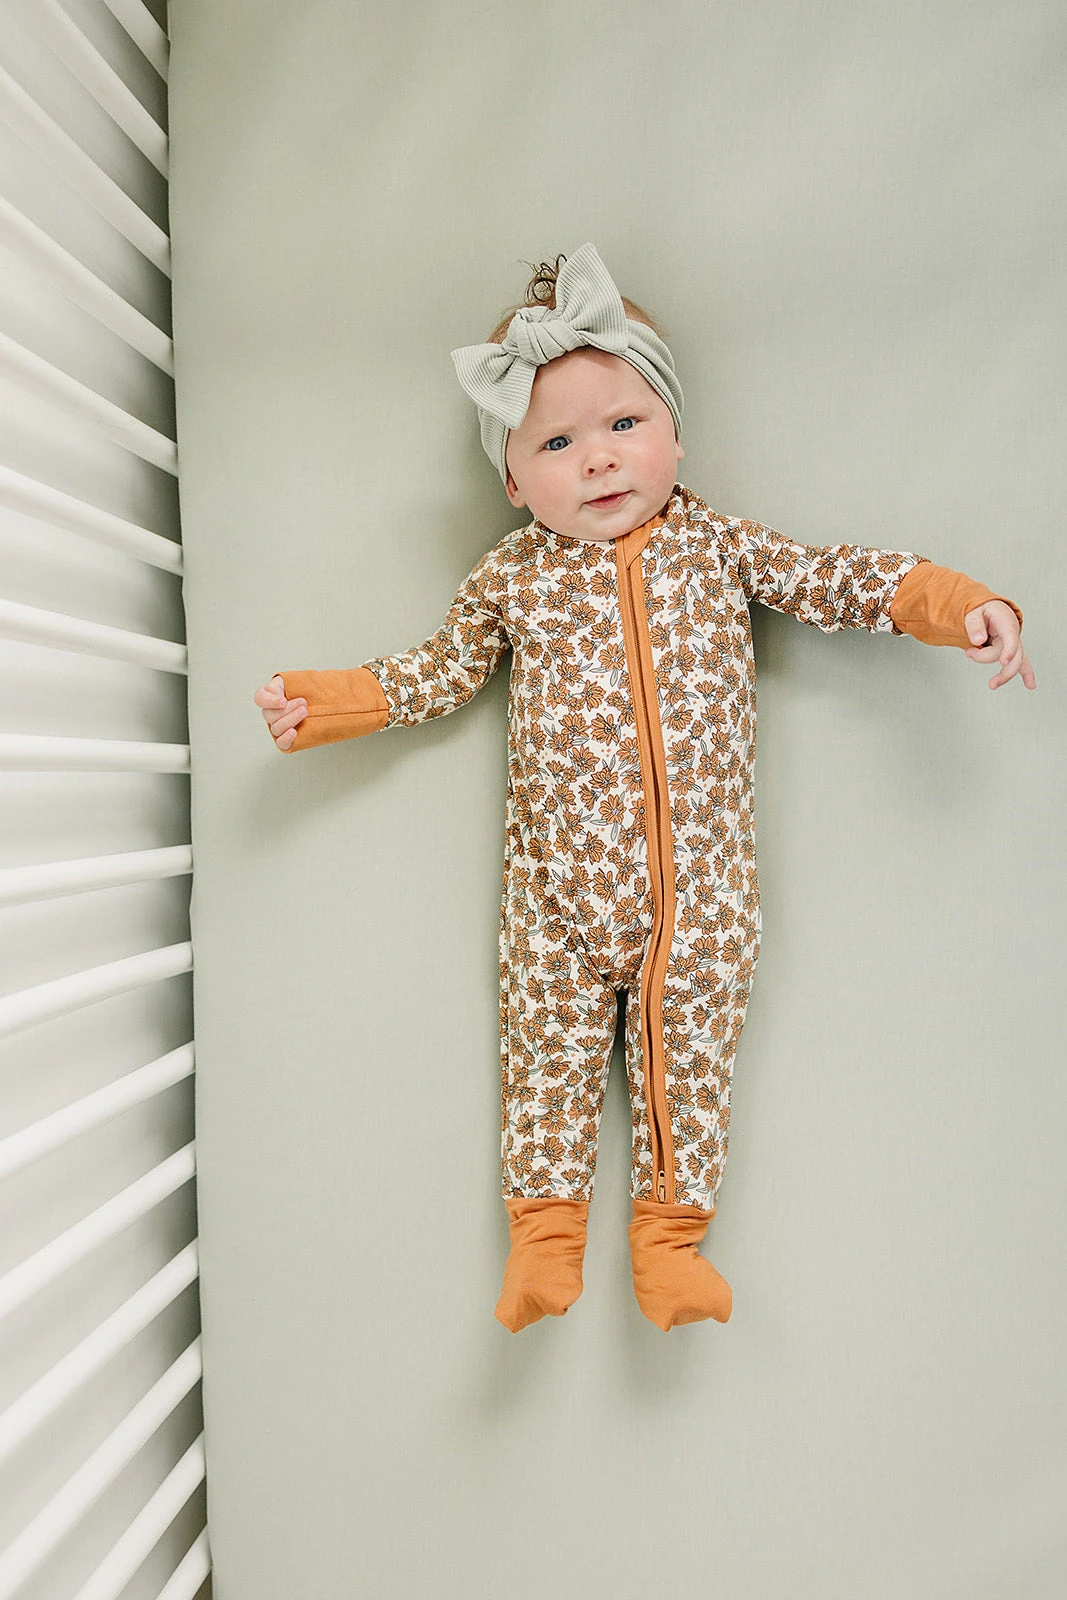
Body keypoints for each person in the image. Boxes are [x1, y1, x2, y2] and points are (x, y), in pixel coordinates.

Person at [253, 244, 1035, 1335]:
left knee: (690, 1065)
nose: (599, 459)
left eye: (625, 423)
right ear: (512, 482)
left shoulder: (716, 545)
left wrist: (957, 605)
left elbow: (834, 578)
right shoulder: (513, 576)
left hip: (699, 894)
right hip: (556, 898)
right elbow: (441, 669)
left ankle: (670, 1242)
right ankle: (543, 1239)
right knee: (545, 1060)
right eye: (555, 443)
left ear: (674, 432)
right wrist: (327, 701)